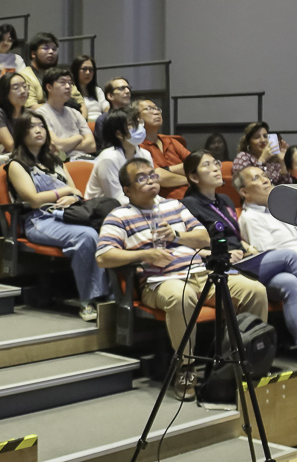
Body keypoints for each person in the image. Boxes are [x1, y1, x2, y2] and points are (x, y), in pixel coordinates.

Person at [97, 158, 275, 399]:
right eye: (142, 178)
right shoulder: (119, 216)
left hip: (200, 273)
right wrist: (144, 254)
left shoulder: (174, 207)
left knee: (255, 290)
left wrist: (177, 235)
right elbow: (104, 256)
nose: (150, 180)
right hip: (159, 281)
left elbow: (203, 237)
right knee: (183, 296)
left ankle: (247, 360)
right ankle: (186, 367)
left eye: (152, 175)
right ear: (127, 189)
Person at [182, 153, 297, 362]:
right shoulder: (188, 204)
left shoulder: (224, 200)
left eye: (216, 163)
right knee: (289, 257)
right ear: (194, 177)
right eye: (207, 165)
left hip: (243, 260)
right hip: (221, 264)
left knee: (290, 282)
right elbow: (193, 242)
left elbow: (234, 237)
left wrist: (247, 247)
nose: (216, 168)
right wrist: (218, 252)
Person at [6, 114, 107, 321]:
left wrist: (72, 197)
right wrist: (64, 192)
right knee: (86, 236)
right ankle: (88, 301)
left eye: (41, 126)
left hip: (68, 214)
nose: (38, 130)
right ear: (20, 133)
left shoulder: (54, 161)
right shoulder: (17, 165)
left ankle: (110, 296)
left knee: (108, 231)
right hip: (40, 220)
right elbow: (34, 200)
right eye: (31, 127)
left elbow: (77, 192)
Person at [236, 164, 297, 264]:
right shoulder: (251, 217)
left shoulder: (284, 206)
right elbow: (272, 258)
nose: (266, 180)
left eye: (265, 175)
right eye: (256, 178)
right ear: (244, 192)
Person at [85, 106, 150, 205]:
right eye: (132, 124)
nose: (139, 127)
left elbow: (150, 189)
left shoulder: (145, 154)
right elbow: (117, 198)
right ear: (119, 134)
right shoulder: (108, 158)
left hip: (136, 205)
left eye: (139, 122)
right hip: (102, 210)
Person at [34, 67, 96, 160]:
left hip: (85, 158)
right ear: (49, 87)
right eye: (63, 83)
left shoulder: (75, 113)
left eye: (70, 83)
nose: (68, 87)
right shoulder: (41, 114)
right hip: (62, 162)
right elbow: (57, 146)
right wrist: (78, 138)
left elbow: (92, 145)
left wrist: (66, 145)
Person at [137, 98, 189, 192]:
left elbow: (196, 164)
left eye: (157, 109)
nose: (156, 112)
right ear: (137, 118)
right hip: (165, 200)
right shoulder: (138, 146)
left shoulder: (170, 140)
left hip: (192, 193)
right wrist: (190, 180)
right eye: (149, 109)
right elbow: (159, 177)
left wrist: (167, 170)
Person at [0, 71, 29, 153]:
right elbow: (11, 147)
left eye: (25, 86)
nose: (23, 91)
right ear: (5, 93)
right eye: (16, 88)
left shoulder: (29, 113)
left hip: (26, 157)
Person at [16, 31, 60, 106]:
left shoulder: (61, 75)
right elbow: (32, 107)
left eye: (54, 49)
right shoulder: (24, 76)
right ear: (33, 54)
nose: (51, 52)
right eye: (46, 48)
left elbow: (80, 102)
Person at [71, 54, 103, 121]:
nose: (88, 72)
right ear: (76, 70)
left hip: (100, 124)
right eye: (84, 69)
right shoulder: (70, 91)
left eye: (91, 69)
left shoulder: (97, 90)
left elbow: (106, 108)